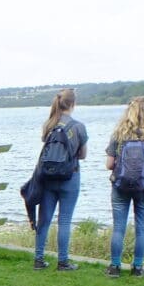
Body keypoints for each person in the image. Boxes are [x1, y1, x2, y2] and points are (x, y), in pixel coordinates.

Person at [105, 96, 144, 277]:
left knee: (118, 227)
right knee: (141, 227)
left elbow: (109, 164)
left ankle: (115, 267)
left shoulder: (119, 133)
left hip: (120, 185)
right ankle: (137, 268)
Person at [33, 88, 88, 271]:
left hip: (48, 177)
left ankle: (39, 259)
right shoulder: (78, 127)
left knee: (45, 219)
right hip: (70, 176)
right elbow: (83, 155)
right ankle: (63, 261)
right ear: (73, 104)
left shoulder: (49, 124)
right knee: (64, 220)